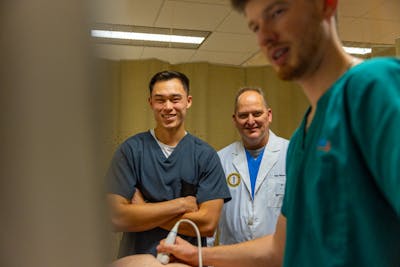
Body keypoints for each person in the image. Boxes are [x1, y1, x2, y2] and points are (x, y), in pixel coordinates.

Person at [157, 0, 400, 266]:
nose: (265, 36)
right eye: (256, 26)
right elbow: (279, 248)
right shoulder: (300, 141)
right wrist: (197, 255)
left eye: (277, 12)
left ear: (326, 5)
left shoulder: (372, 88)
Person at [106, 70, 231, 258]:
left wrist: (143, 210)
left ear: (188, 101)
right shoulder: (131, 151)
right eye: (160, 100)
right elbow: (115, 217)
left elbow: (208, 224)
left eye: (175, 99)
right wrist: (181, 204)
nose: (168, 107)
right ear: (150, 103)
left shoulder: (205, 155)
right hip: (136, 260)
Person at [210, 87, 288, 246]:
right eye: (243, 115)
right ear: (234, 120)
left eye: (257, 113)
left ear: (269, 115)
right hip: (232, 259)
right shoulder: (219, 160)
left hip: (279, 258)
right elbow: (210, 221)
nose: (251, 121)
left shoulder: (291, 154)